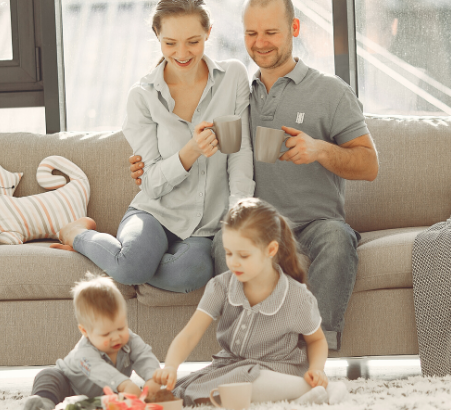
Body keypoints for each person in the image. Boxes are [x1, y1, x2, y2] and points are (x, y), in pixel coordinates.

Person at [130, 0, 378, 349]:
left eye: (271, 32)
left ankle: (312, 349)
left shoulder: (331, 91)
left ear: (294, 30)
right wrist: (145, 164)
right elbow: (194, 138)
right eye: (252, 33)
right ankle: (246, 347)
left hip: (317, 224)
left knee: (339, 240)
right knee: (223, 243)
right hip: (258, 227)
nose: (260, 42)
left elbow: (369, 164)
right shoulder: (240, 92)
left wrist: (319, 149)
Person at [53, 0, 254, 294]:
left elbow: (240, 151)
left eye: (193, 41)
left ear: (209, 33)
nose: (182, 53)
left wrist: (238, 212)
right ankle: (78, 234)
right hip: (155, 214)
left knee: (194, 271)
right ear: (157, 36)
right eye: (170, 43)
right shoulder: (143, 97)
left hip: (203, 227)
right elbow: (151, 184)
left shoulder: (233, 77)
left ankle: (137, 262)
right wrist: (191, 150)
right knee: (131, 266)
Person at [152, 198, 347, 406]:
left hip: (278, 369)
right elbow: (190, 334)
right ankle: (302, 395)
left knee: (245, 381)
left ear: (271, 250)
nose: (233, 262)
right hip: (232, 368)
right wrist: (171, 366)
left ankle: (316, 389)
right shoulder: (220, 286)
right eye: (228, 253)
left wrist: (316, 369)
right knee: (187, 390)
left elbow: (316, 340)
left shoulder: (297, 296)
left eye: (243, 255)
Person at [24, 273, 162, 410]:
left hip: (104, 394)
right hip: (69, 384)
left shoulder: (130, 340)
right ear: (85, 331)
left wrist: (152, 378)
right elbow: (98, 369)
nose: (116, 336)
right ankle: (43, 403)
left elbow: (144, 356)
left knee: (121, 399)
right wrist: (124, 384)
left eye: (121, 328)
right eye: (106, 333)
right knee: (48, 376)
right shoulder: (84, 352)